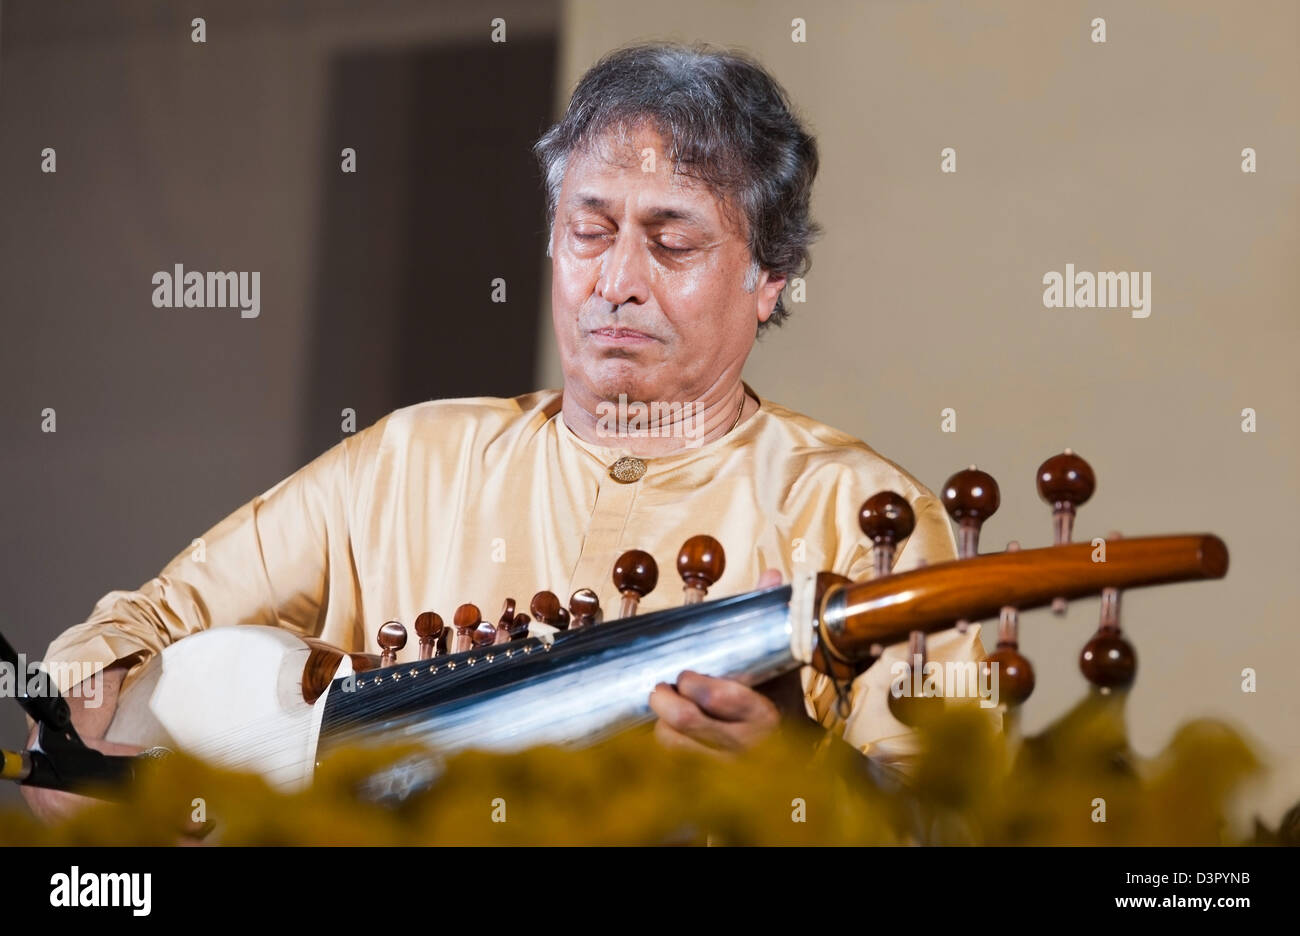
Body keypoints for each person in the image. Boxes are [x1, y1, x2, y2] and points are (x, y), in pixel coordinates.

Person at [23, 42, 984, 822]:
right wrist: (87, 712)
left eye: (674, 241)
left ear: (769, 277)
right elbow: (143, 623)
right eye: (589, 230)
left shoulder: (866, 514)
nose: (618, 281)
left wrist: (800, 769)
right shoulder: (409, 463)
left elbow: (958, 822)